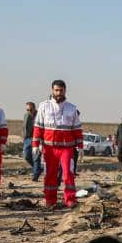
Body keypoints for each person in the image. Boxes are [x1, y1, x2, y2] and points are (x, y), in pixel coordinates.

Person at [32, 80, 83, 208]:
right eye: (56, 90)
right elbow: (38, 127)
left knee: (68, 174)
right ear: (52, 90)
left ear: (65, 90)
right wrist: (35, 144)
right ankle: (50, 199)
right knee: (50, 174)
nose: (58, 93)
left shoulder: (72, 108)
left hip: (67, 148)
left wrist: (80, 147)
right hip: (49, 148)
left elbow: (77, 129)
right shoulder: (44, 106)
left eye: (61, 90)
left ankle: (70, 199)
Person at [22, 102, 42, 180]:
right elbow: (24, 128)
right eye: (27, 110)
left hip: (37, 139)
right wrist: (24, 139)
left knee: (36, 157)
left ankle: (35, 175)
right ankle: (38, 169)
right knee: (26, 156)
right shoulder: (26, 115)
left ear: (34, 109)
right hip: (28, 139)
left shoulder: (39, 116)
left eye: (30, 110)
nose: (29, 111)